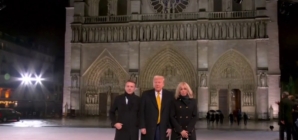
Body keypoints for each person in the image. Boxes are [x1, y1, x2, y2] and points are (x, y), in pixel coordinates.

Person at [140, 75, 174, 140]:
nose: (157, 84)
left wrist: (170, 127)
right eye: (155, 82)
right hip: (148, 127)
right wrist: (142, 126)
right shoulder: (146, 94)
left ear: (163, 84)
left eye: (159, 82)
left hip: (163, 127)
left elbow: (171, 112)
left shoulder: (169, 95)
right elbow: (141, 111)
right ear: (153, 84)